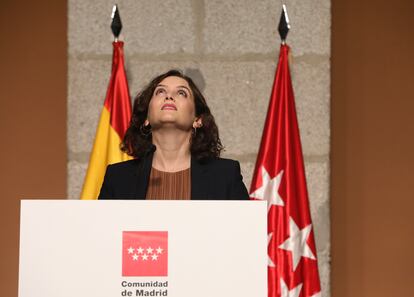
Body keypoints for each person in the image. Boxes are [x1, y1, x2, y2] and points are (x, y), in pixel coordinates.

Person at [98, 69, 249, 200]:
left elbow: (244, 232)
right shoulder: (118, 177)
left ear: (198, 119)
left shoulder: (225, 175)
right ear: (146, 119)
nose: (169, 96)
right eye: (160, 91)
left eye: (181, 93)